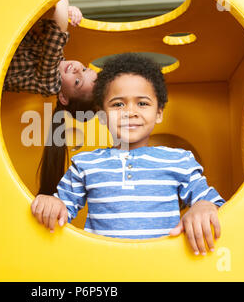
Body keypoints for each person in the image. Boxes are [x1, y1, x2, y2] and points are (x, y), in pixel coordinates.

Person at [31, 53, 225, 256]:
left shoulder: (179, 160)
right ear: (103, 116)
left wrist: (202, 206)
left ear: (159, 112)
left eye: (142, 103)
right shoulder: (85, 165)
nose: (130, 112)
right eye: (118, 104)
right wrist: (52, 202)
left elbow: (214, 202)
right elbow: (63, 208)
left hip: (162, 269)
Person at [2, 0, 98, 196]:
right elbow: (47, 23)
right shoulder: (56, 68)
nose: (77, 68)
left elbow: (57, 28)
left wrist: (63, 5)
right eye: (85, 69)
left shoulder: (50, 81)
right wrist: (68, 11)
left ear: (63, 97)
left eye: (78, 82)